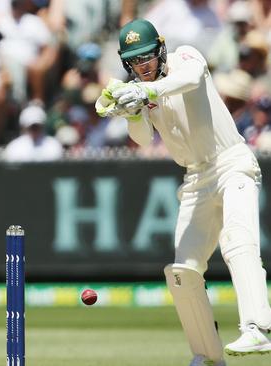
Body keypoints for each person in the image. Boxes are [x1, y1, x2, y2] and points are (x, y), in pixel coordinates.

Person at [97, 19, 271, 366]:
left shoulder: (184, 58)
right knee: (183, 272)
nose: (143, 66)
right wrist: (132, 113)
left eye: (147, 56)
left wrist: (144, 93)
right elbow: (144, 139)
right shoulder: (140, 89)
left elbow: (190, 80)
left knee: (237, 240)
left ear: (160, 49)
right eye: (135, 61)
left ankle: (258, 329)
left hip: (231, 162)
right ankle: (207, 355)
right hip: (195, 180)